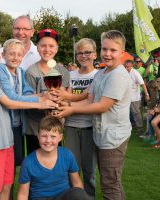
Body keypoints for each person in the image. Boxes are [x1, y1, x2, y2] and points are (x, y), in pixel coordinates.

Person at [0, 37, 55, 200]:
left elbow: (23, 95)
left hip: (7, 140)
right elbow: (10, 102)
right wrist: (40, 103)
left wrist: (43, 96)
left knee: (6, 185)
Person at [55, 30, 132, 200]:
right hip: (103, 136)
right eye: (105, 49)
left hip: (113, 138)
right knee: (111, 182)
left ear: (122, 52)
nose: (107, 54)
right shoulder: (101, 73)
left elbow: (103, 106)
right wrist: (65, 104)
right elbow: (89, 99)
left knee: (110, 185)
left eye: (113, 50)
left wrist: (71, 109)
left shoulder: (118, 75)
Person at [59, 38, 98, 199]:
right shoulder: (69, 75)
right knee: (71, 169)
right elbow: (63, 98)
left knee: (89, 171)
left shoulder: (99, 75)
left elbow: (95, 101)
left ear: (95, 54)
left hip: (91, 127)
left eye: (87, 52)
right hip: (70, 127)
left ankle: (89, 197)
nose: (83, 56)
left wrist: (71, 106)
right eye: (80, 53)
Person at [17, 115, 88, 200]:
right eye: (44, 136)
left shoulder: (67, 155)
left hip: (62, 196)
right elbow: (23, 194)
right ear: (38, 136)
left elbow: (77, 183)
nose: (48, 140)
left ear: (60, 137)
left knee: (78, 193)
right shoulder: (28, 162)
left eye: (53, 136)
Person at [25, 28, 70, 155]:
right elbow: (27, 100)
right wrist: (44, 100)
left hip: (55, 129)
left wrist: (59, 104)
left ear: (56, 48)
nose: (47, 49)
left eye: (51, 46)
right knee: (35, 164)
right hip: (35, 129)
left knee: (54, 165)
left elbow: (65, 98)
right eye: (43, 45)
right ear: (37, 47)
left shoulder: (63, 72)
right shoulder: (31, 72)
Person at [124, 60, 150, 136]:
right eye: (126, 66)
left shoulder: (135, 73)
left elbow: (142, 84)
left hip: (134, 97)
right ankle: (126, 128)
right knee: (125, 113)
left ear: (131, 66)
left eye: (129, 67)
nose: (127, 68)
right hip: (125, 97)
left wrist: (147, 94)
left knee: (136, 113)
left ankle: (140, 129)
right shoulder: (123, 72)